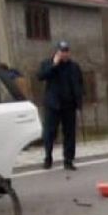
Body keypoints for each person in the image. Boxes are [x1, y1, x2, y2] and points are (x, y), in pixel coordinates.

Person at [36, 40, 84, 170]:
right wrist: (54, 65)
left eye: (66, 51)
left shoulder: (74, 67)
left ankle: (68, 160)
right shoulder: (48, 63)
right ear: (57, 52)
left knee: (69, 133)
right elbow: (40, 76)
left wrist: (79, 103)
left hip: (69, 105)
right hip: (53, 105)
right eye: (62, 52)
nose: (64, 54)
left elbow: (79, 84)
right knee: (50, 133)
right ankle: (48, 157)